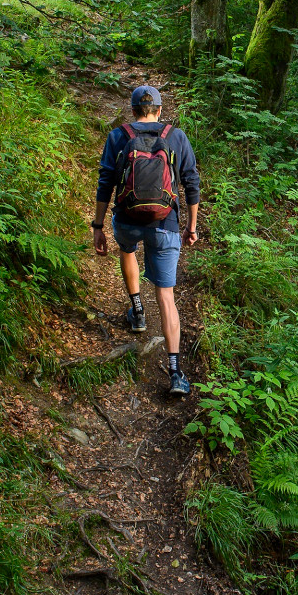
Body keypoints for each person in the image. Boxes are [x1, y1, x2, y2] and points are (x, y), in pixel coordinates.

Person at [92, 85, 200, 396]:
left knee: (127, 250)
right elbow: (191, 182)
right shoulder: (176, 136)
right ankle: (176, 372)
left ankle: (137, 311)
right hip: (165, 223)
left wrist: (98, 225)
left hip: (127, 220)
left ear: (132, 109)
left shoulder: (118, 136)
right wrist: (191, 226)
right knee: (166, 296)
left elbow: (105, 181)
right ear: (160, 110)